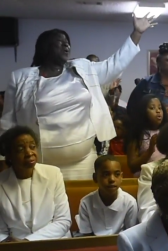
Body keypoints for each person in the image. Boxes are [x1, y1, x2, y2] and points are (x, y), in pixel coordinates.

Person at [0, 15, 155, 180]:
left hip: (82, 163)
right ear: (45, 47)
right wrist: (2, 159)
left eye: (68, 42)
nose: (67, 45)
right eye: (61, 42)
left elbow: (114, 64)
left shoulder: (83, 69)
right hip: (38, 163)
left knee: (79, 203)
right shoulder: (20, 78)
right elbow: (7, 123)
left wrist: (137, 33)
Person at [0, 126, 71, 242]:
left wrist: (27, 242)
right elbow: (1, 230)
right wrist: (10, 242)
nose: (29, 153)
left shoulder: (53, 173)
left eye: (32, 147)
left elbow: (63, 221)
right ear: (9, 155)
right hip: (14, 245)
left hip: (52, 241)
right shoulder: (1, 181)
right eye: (20, 149)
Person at [77, 155, 137, 236]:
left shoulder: (130, 202)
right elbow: (86, 237)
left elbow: (132, 235)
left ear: (121, 177)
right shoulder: (86, 203)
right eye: (106, 174)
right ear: (95, 178)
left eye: (117, 174)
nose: (112, 179)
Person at [126, 94, 167, 176]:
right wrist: (150, 150)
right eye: (152, 108)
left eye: (160, 108)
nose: (158, 111)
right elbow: (133, 166)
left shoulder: (167, 131)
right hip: (146, 178)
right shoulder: (138, 134)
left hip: (165, 176)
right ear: (143, 112)